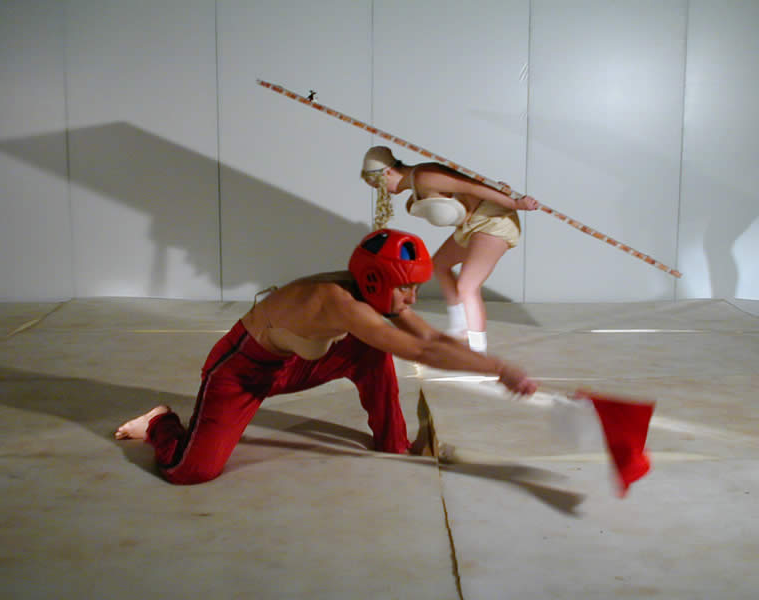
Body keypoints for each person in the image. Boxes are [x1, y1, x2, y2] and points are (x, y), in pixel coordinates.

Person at [115, 229, 537, 485]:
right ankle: (158, 421)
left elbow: (431, 336)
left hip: (296, 364)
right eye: (404, 288)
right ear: (375, 280)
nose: (411, 298)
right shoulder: (339, 302)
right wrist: (498, 369)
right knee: (192, 473)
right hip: (242, 371)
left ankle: (394, 443)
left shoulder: (376, 296)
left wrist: (492, 364)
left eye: (414, 288)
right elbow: (422, 350)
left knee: (369, 352)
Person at [361, 146, 539, 354]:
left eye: (379, 186)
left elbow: (471, 186)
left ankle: (478, 354)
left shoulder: (425, 176)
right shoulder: (417, 183)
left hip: (493, 221)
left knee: (467, 286)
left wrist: (515, 203)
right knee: (439, 265)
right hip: (471, 227)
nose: (382, 192)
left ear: (388, 173)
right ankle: (459, 327)